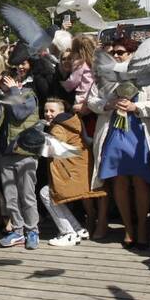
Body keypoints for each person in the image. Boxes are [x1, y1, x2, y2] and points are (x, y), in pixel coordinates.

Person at [87, 37, 150, 248]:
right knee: (118, 180)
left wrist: (137, 108)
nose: (117, 56)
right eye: (114, 52)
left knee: (141, 181)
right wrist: (108, 104)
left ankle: (142, 227)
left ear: (132, 54)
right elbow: (91, 101)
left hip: (138, 132)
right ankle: (128, 227)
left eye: (121, 52)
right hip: (113, 133)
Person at [40, 97, 103, 246]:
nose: (48, 114)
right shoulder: (71, 122)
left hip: (71, 173)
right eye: (45, 111)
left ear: (61, 112)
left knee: (46, 193)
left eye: (52, 111)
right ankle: (77, 228)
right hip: (78, 171)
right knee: (48, 193)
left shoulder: (58, 127)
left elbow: (52, 149)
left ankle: (68, 233)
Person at [0, 73, 41, 249]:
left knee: (27, 194)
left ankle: (32, 231)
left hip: (25, 152)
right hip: (6, 152)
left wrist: (13, 90)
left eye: (6, 82)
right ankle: (17, 231)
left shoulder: (28, 95)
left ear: (16, 82)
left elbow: (20, 113)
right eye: (1, 83)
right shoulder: (3, 97)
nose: (3, 85)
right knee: (10, 196)